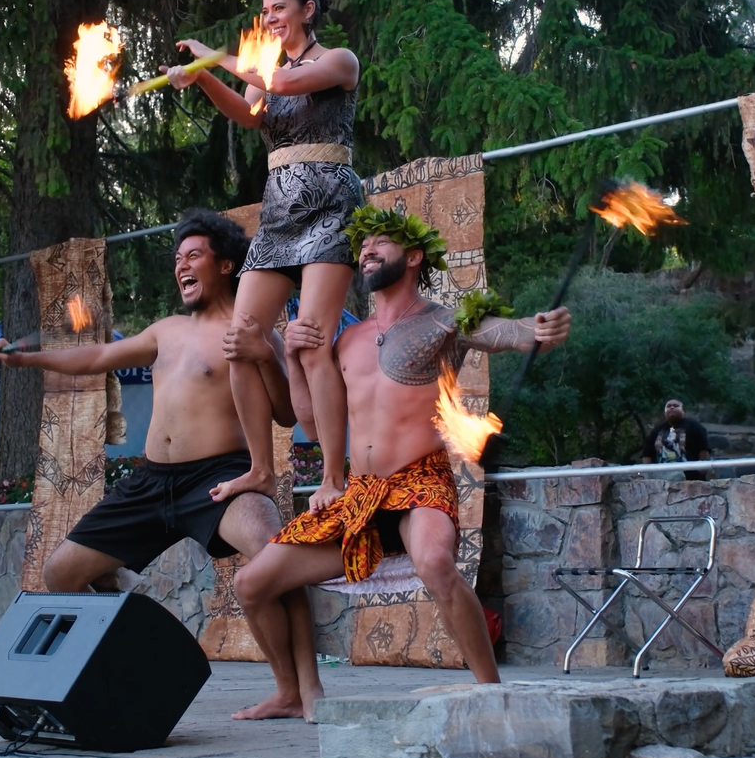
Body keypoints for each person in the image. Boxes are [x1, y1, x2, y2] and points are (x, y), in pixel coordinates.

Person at [0, 209, 323, 720]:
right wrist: (24, 360)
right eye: (177, 258)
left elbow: (284, 412)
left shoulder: (250, 330)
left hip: (219, 476)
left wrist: (266, 356)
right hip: (152, 480)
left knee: (274, 555)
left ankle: (299, 690)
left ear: (226, 265)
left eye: (194, 255)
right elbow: (97, 358)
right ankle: (130, 652)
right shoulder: (166, 330)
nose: (181, 266)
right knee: (61, 574)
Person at [235, 208, 571, 691]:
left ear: (413, 257)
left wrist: (537, 328)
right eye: (363, 245)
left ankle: (490, 691)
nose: (367, 250)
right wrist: (291, 355)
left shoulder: (445, 323)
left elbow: (507, 331)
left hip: (419, 480)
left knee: (435, 563)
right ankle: (291, 693)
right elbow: (308, 420)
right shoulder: (347, 339)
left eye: (381, 243)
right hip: (362, 490)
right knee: (251, 584)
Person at [166, 0, 362, 507]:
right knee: (239, 339)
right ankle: (259, 469)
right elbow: (250, 112)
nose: (270, 18)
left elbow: (282, 86)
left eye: (279, 8)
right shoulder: (265, 73)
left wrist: (212, 57)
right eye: (265, 11)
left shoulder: (338, 61)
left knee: (313, 342)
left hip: (329, 204)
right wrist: (202, 79)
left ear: (309, 9)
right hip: (279, 210)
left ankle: (333, 477)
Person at [643, 399, 711, 479]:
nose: (672, 407)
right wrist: (647, 474)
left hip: (690, 476)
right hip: (661, 476)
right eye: (668, 406)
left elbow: (703, 448)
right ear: (665, 411)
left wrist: (702, 469)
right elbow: (647, 453)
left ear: (683, 410)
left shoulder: (694, 426)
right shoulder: (657, 430)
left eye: (676, 406)